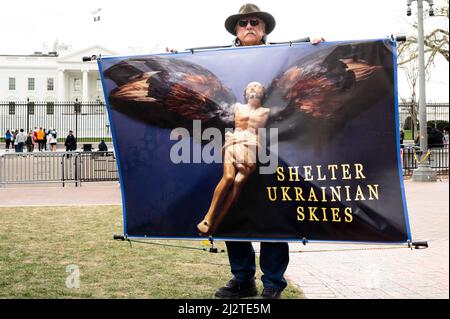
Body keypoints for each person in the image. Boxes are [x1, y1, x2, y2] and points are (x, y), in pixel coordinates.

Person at [210, 3, 324, 299]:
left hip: (272, 149)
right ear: (236, 29)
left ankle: (273, 282)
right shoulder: (220, 59)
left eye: (255, 22)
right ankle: (242, 279)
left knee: (273, 212)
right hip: (234, 147)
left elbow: (302, 80)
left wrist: (314, 50)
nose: (249, 27)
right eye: (243, 23)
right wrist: (169, 57)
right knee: (233, 212)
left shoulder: (281, 58)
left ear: (264, 29)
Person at [198, 82, 270, 235]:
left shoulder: (266, 111)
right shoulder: (238, 107)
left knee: (238, 182)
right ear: (245, 93)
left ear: (263, 92)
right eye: (250, 86)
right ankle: (208, 217)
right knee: (229, 177)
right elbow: (219, 116)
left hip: (251, 145)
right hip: (234, 141)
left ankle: (217, 223)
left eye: (257, 86)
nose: (253, 88)